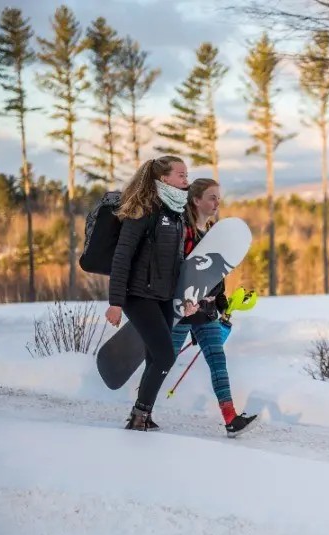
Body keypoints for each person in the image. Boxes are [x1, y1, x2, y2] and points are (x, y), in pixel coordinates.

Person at [104, 155, 199, 431]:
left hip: (164, 296)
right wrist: (116, 303)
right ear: (164, 179)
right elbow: (122, 257)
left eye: (186, 174)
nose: (186, 180)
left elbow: (178, 262)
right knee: (166, 356)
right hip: (138, 295)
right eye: (181, 175)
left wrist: (186, 295)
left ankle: (144, 413)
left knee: (153, 357)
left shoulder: (177, 213)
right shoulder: (143, 210)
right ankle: (139, 415)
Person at [165, 177, 257, 437]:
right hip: (182, 310)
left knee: (218, 360)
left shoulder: (214, 231)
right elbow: (177, 271)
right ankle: (142, 411)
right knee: (164, 360)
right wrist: (183, 300)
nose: (217, 202)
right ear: (196, 200)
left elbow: (216, 271)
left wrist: (219, 300)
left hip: (206, 311)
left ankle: (231, 419)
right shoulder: (182, 231)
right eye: (212, 197)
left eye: (219, 197)